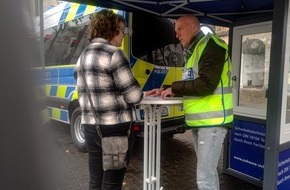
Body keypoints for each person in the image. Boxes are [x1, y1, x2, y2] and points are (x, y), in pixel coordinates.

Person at [146, 15, 233, 190]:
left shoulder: (211, 45)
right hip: (201, 121)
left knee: (204, 176)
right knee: (207, 173)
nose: (176, 34)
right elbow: (193, 82)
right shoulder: (196, 49)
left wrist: (175, 88)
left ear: (194, 27)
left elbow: (206, 84)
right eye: (175, 30)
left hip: (212, 122)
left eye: (180, 29)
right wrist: (166, 89)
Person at [74, 9, 143, 190]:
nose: (123, 36)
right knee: (112, 183)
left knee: (96, 181)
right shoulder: (114, 54)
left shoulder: (81, 58)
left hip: (90, 126)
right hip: (115, 129)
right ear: (111, 30)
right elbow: (135, 96)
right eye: (121, 31)